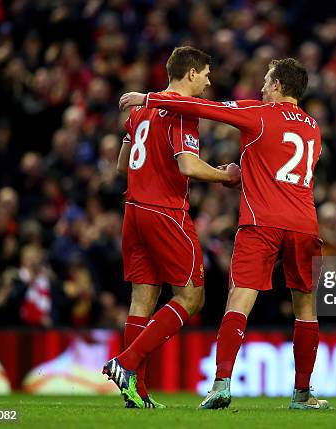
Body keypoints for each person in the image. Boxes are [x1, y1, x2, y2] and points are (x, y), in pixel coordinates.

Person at [119, 58, 328, 410]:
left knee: (238, 302)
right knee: (306, 309)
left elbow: (203, 106)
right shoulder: (314, 128)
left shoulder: (259, 113)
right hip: (305, 223)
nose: (260, 87)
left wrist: (149, 98)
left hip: (261, 222)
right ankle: (302, 394)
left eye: (265, 81)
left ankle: (221, 384)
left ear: (278, 86)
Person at [102, 46, 241, 409]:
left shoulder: (140, 110)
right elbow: (189, 167)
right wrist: (225, 176)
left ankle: (136, 392)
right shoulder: (182, 113)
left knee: (142, 300)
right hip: (164, 210)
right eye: (207, 74)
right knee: (192, 297)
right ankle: (125, 363)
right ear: (191, 73)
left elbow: (122, 165)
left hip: (133, 209)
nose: (210, 82)